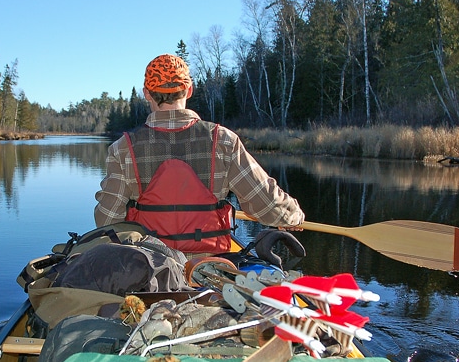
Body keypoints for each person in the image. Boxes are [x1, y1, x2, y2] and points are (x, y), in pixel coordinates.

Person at [94, 53, 304, 255]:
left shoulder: (123, 148)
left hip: (150, 265)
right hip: (209, 263)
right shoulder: (223, 140)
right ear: (189, 90)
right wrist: (292, 216)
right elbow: (266, 202)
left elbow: (108, 220)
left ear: (147, 93)